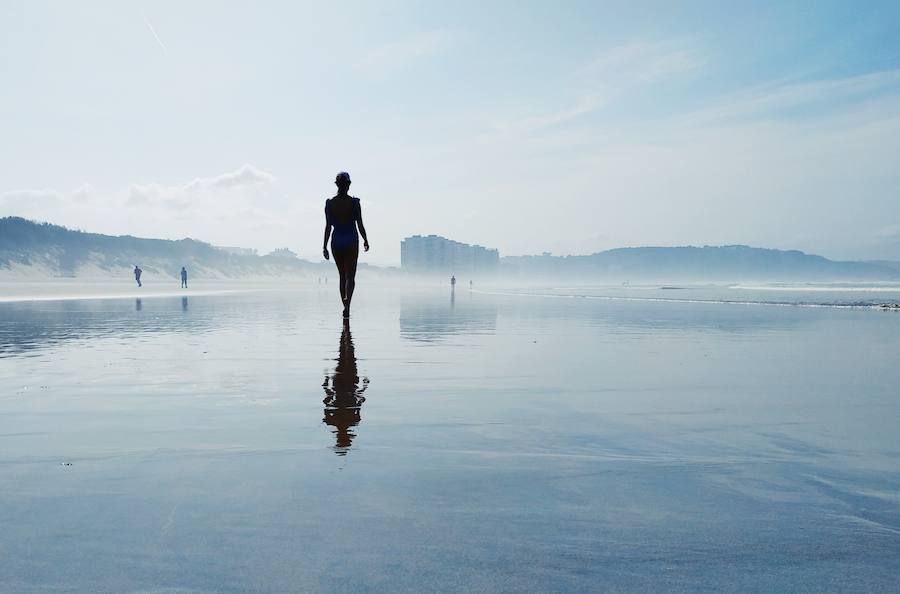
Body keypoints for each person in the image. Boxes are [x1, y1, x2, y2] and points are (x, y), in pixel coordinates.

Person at [322, 171, 369, 318]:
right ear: (348, 185)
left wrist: (324, 246)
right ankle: (348, 304)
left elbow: (328, 226)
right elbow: (360, 223)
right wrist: (366, 239)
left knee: (342, 276)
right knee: (350, 276)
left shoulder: (330, 203)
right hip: (351, 239)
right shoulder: (354, 203)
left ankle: (345, 305)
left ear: (337, 185)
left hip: (336, 240)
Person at [322, 320, 369, 455]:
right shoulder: (336, 421)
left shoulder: (348, 421)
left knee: (346, 355)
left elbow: (328, 400)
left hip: (344, 385)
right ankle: (346, 332)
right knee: (347, 355)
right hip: (346, 385)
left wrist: (326, 383)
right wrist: (364, 387)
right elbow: (358, 401)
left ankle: (345, 333)